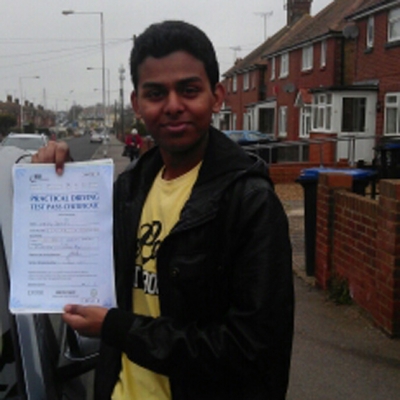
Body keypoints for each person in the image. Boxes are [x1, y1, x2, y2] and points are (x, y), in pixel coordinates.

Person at [33, 20, 294, 400]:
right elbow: (72, 256)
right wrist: (64, 180)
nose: (173, 106)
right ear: (136, 104)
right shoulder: (130, 188)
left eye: (189, 90)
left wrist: (117, 327)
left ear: (216, 95)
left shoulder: (249, 203)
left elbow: (252, 352)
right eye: (156, 93)